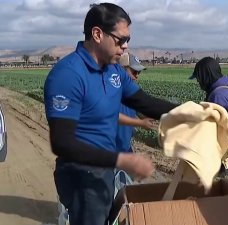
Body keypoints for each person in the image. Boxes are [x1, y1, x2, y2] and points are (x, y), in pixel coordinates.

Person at [44, 3, 177, 225]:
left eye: (128, 40)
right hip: (82, 175)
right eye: (120, 39)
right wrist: (122, 159)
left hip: (105, 169)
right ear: (97, 34)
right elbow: (62, 143)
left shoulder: (113, 71)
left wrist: (191, 112)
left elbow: (143, 102)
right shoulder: (68, 75)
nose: (125, 47)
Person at [114, 53, 157, 194]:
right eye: (134, 71)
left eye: (138, 72)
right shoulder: (109, 91)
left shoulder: (131, 93)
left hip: (125, 149)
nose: (136, 76)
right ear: (121, 69)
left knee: (125, 192)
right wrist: (139, 123)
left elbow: (143, 110)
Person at [189, 57, 228, 175]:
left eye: (199, 78)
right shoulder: (223, 90)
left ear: (206, 76)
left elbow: (215, 129)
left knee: (212, 185)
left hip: (219, 152)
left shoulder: (218, 96)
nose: (198, 82)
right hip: (222, 149)